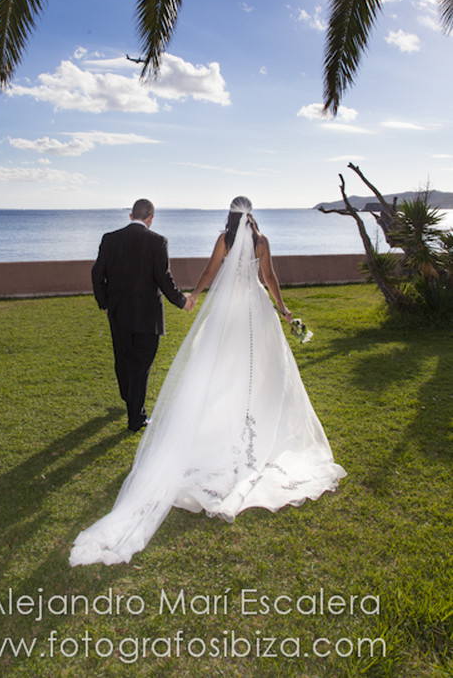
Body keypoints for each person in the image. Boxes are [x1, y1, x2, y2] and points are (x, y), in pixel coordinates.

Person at [71, 196, 346, 566]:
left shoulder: (224, 240)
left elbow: (210, 272)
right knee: (262, 369)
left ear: (231, 216)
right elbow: (270, 278)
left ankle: (213, 420)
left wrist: (196, 296)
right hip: (256, 310)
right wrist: (282, 308)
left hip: (228, 310)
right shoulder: (261, 242)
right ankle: (256, 425)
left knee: (221, 365)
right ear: (252, 214)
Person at [91, 198, 192, 432]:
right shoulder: (158, 242)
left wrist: (104, 302)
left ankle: (130, 402)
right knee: (140, 367)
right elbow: (164, 280)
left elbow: (97, 274)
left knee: (123, 361)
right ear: (151, 218)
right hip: (148, 317)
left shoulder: (110, 239)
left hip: (118, 314)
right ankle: (136, 417)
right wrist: (182, 302)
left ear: (131, 216)